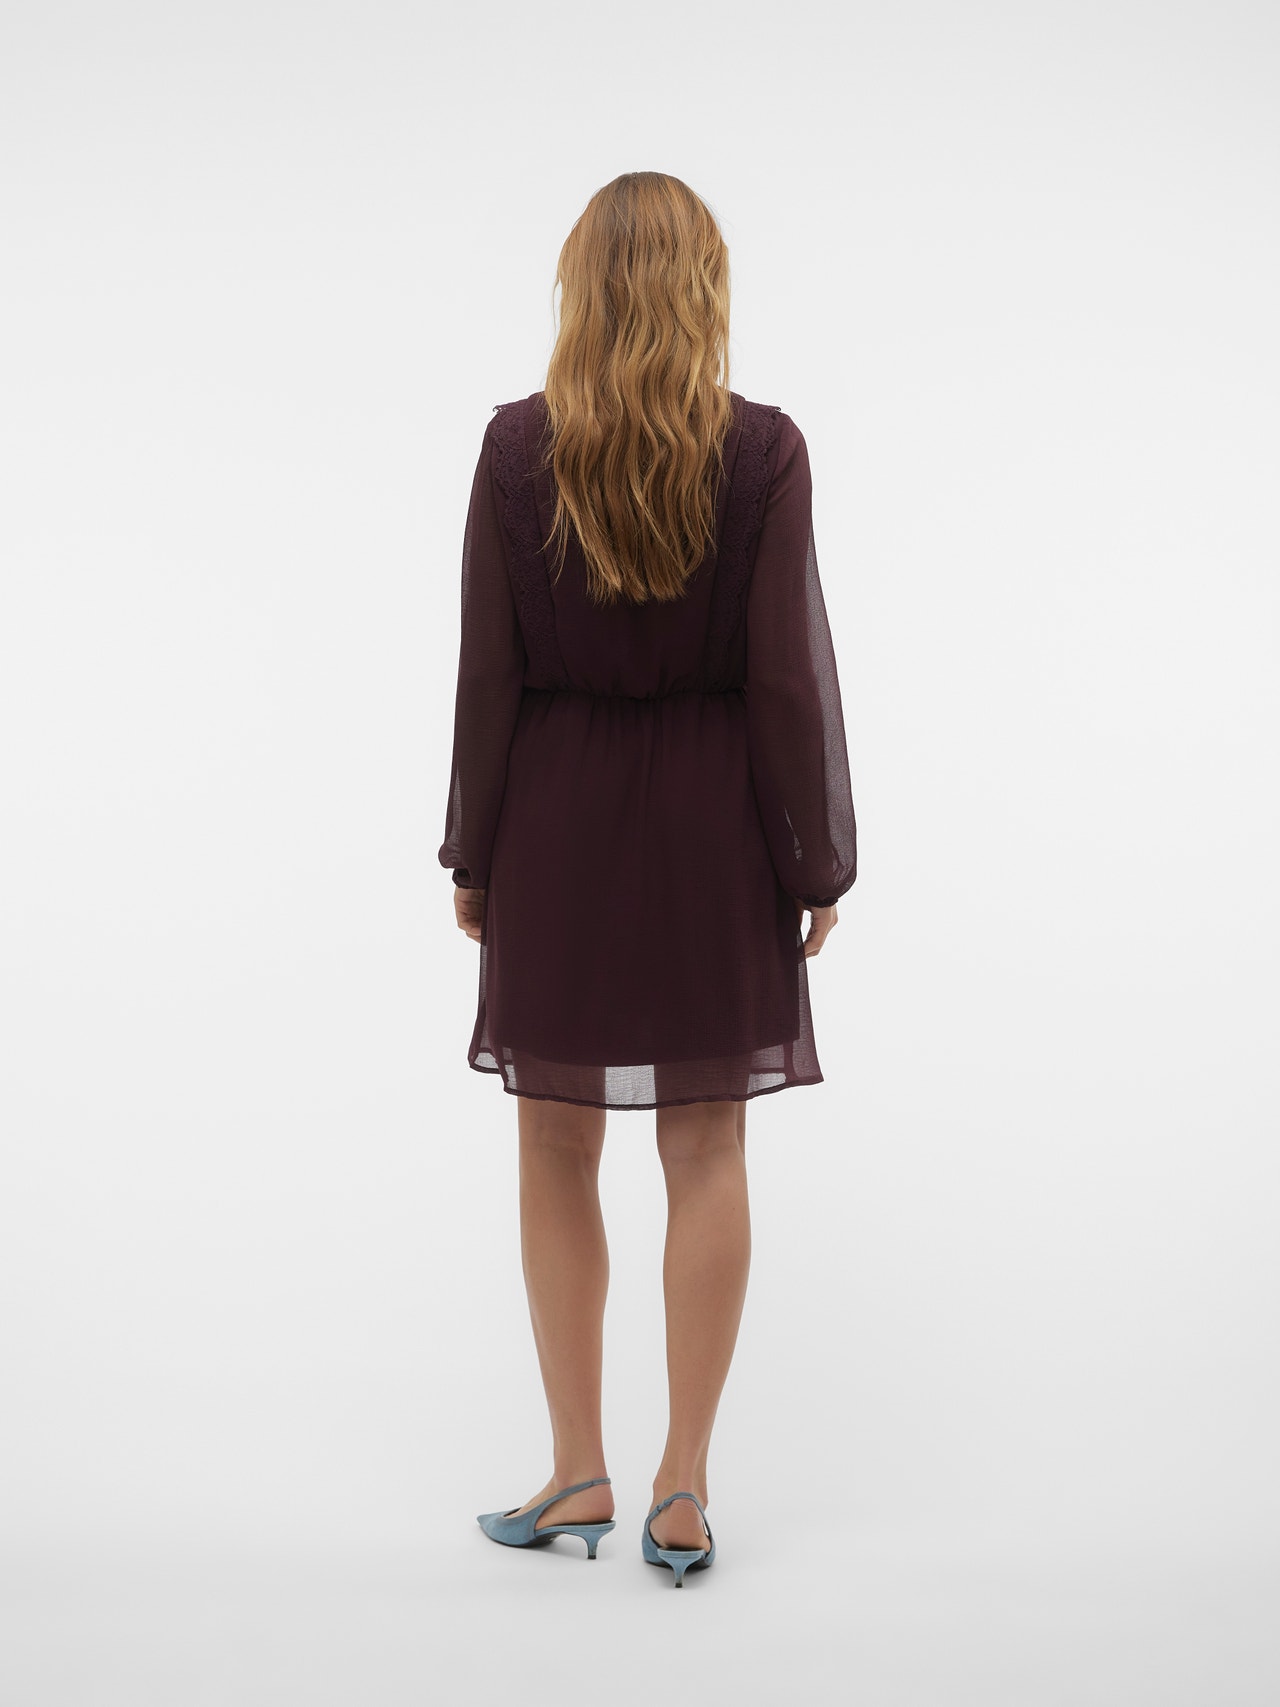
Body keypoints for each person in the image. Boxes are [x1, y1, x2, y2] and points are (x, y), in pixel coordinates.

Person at [438, 171, 857, 1586]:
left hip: (555, 823)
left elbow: (487, 673)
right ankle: (682, 1488)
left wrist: (474, 850)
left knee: (555, 1145)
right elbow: (788, 677)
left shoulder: (514, 448)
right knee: (708, 1149)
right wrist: (815, 856)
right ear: (703, 291)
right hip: (713, 832)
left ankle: (577, 1471)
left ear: (582, 289)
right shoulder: (765, 453)